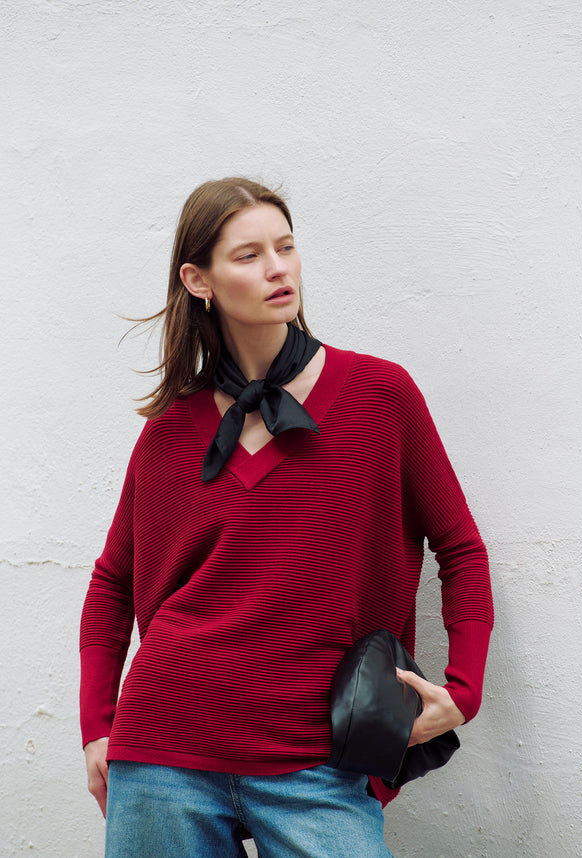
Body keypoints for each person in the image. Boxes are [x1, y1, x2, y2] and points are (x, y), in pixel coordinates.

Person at [80, 177, 493, 858]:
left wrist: (463, 691)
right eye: (248, 255)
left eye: (287, 246)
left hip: (318, 758)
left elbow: (461, 549)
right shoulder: (170, 431)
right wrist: (99, 726)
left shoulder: (381, 396)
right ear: (198, 280)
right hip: (164, 748)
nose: (278, 268)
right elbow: (112, 581)